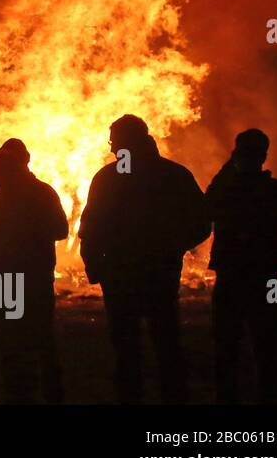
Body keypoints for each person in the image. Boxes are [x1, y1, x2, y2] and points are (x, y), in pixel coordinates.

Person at [79, 115, 208, 404]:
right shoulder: (173, 174)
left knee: (129, 349)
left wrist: (97, 267)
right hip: (154, 274)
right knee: (164, 344)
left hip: (124, 276)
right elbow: (200, 222)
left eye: (115, 142)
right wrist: (174, 248)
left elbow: (90, 230)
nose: (112, 148)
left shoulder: (109, 178)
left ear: (127, 142)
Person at [0, 138, 68, 404]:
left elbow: (61, 230)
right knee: (10, 349)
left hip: (31, 282)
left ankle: (48, 395)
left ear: (8, 173)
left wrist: (20, 235)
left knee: (39, 344)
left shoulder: (40, 194)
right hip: (3, 284)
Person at [205, 128, 277, 404]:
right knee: (266, 342)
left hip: (233, 277)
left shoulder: (229, 191)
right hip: (269, 279)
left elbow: (208, 204)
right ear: (265, 156)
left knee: (228, 344)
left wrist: (229, 166)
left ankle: (229, 398)